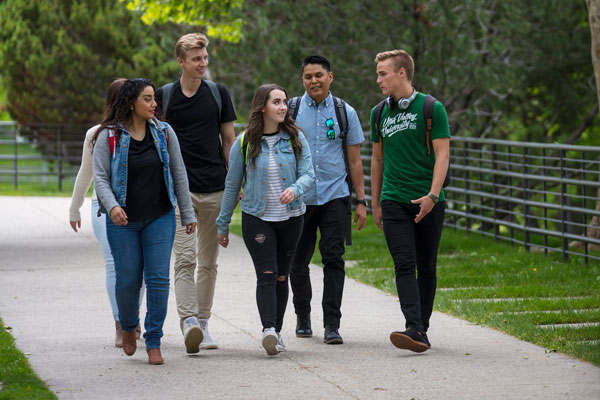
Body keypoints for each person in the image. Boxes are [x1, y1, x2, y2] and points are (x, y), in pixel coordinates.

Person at [93, 78, 197, 365]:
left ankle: (153, 340)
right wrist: (112, 206)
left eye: (154, 99)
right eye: (147, 99)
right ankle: (128, 325)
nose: (154, 104)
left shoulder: (164, 133)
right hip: (123, 220)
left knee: (158, 279)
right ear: (131, 103)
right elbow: (100, 177)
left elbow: (179, 174)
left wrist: (187, 213)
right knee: (127, 280)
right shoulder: (109, 135)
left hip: (160, 216)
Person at [216, 84, 314, 356]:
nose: (283, 107)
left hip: (292, 217)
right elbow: (233, 184)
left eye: (284, 102)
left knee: (283, 276)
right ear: (263, 107)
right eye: (277, 102)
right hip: (257, 217)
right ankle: (268, 329)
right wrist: (222, 225)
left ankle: (277, 333)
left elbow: (309, 173)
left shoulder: (296, 138)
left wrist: (295, 189)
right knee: (267, 274)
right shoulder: (244, 142)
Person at [155, 32, 236, 353]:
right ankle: (188, 320)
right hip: (179, 192)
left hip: (215, 188)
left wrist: (234, 183)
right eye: (196, 59)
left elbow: (229, 141)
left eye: (205, 58)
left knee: (209, 262)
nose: (203, 63)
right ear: (181, 61)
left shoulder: (218, 94)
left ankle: (203, 324)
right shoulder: (165, 97)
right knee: (185, 259)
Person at [370, 50, 450, 353]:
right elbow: (377, 159)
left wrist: (432, 195)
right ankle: (413, 327)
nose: (378, 79)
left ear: (402, 73)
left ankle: (421, 329)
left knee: (426, 266)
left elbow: (443, 155)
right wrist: (376, 202)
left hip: (429, 200)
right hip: (393, 199)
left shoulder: (432, 108)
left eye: (383, 73)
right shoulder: (378, 113)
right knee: (404, 264)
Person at [289, 55, 367, 344]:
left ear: (330, 77)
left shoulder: (344, 111)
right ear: (303, 80)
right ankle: (303, 316)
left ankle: (332, 324)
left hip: (336, 197)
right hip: (301, 199)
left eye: (319, 75)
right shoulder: (292, 111)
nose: (314, 81)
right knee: (298, 262)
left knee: (334, 259)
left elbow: (355, 160)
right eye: (308, 76)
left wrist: (361, 200)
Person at [68, 78, 144, 348]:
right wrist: (74, 208)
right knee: (116, 264)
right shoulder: (97, 134)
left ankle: (133, 321)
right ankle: (120, 324)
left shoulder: (147, 130)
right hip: (104, 208)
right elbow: (86, 173)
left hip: (140, 206)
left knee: (141, 268)